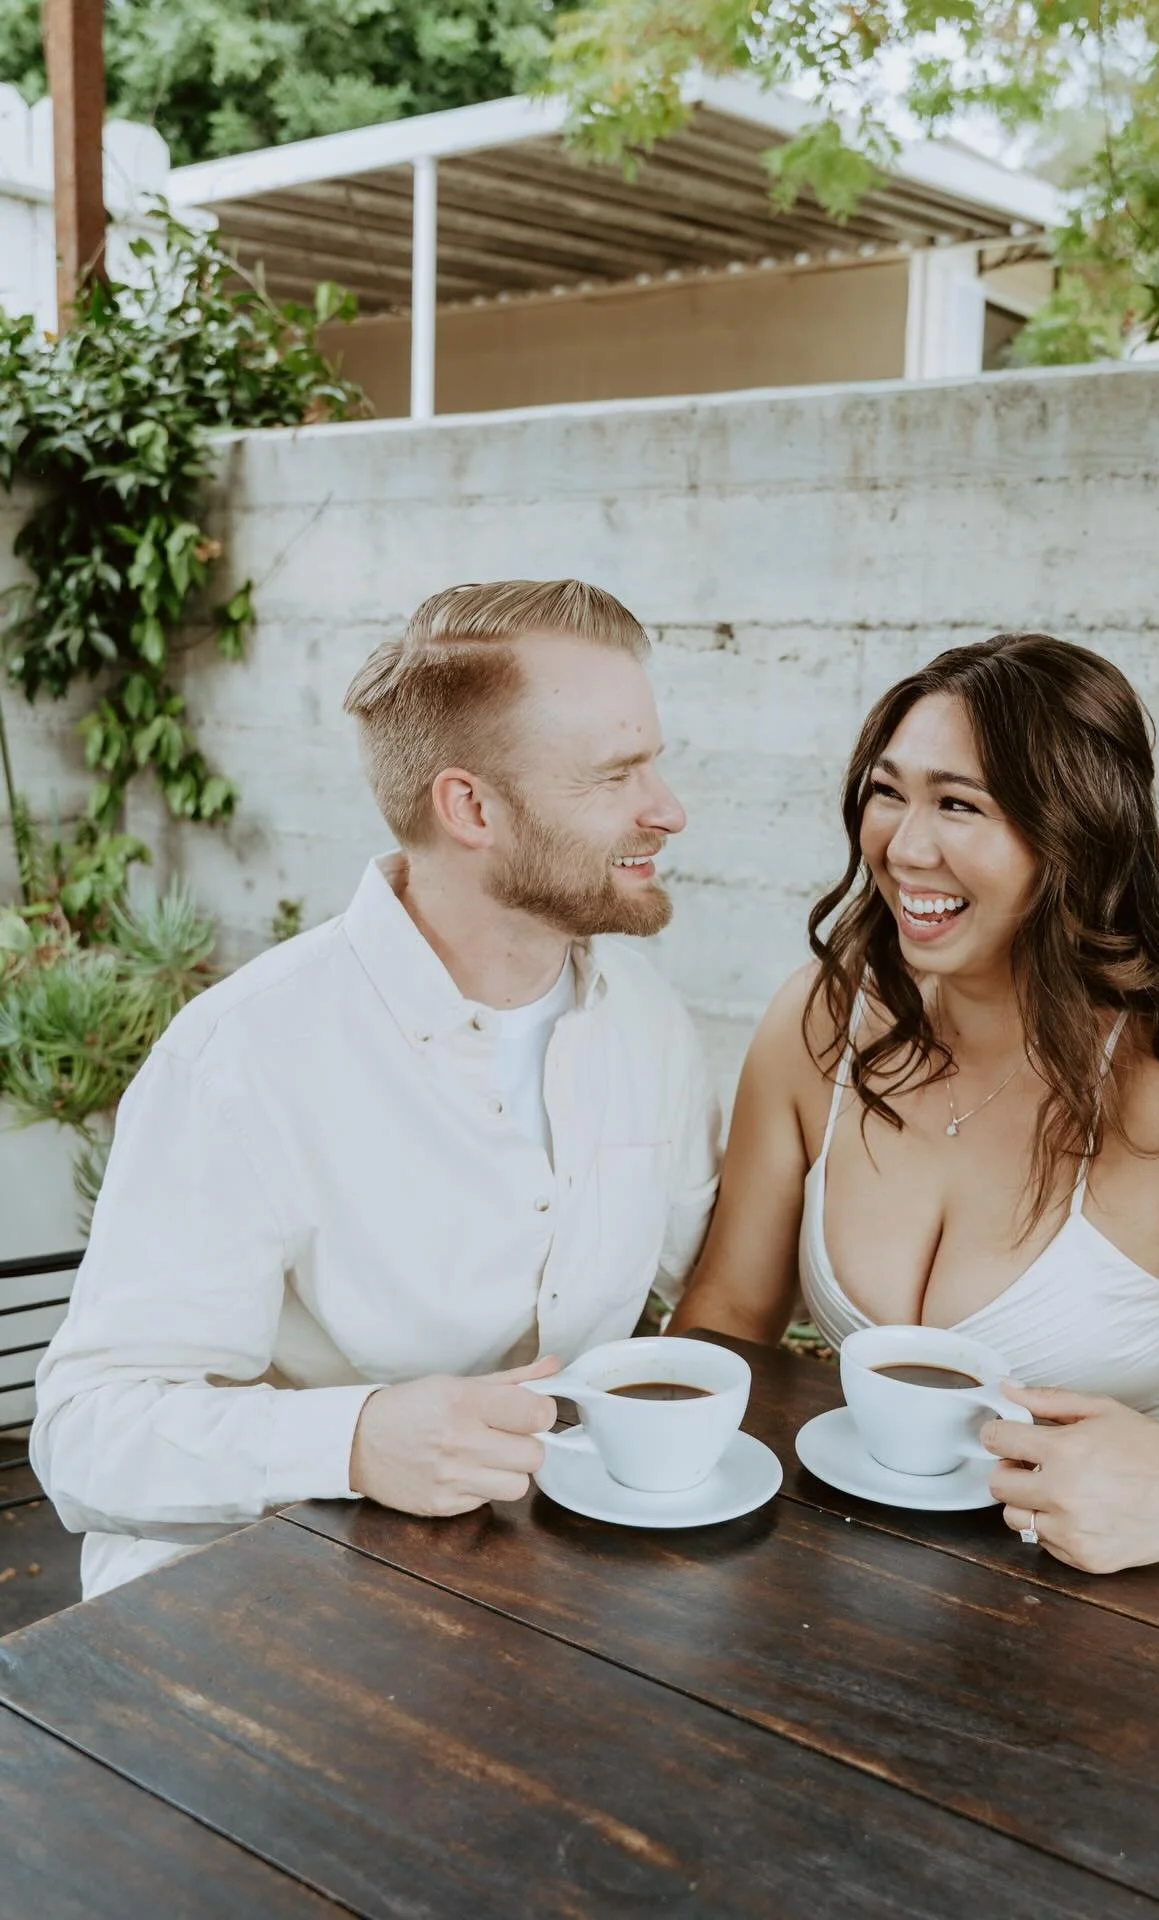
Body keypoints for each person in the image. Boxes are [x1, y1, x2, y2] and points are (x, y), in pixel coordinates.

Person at [671, 633, 1159, 1571]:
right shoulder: (822, 1019)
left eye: (959, 804)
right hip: (906, 1580)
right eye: (887, 791)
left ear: (1073, 833)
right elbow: (727, 1318)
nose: (905, 846)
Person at [33, 579, 720, 1598]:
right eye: (617, 776)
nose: (667, 810)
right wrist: (354, 1438)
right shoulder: (241, 1056)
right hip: (252, 1602)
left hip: (537, 1591)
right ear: (471, 807)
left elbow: (712, 1279)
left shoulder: (646, 1018)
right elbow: (85, 1437)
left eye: (655, 763)